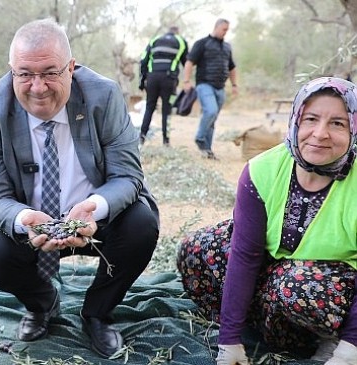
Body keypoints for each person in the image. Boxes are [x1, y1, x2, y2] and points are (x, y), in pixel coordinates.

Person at [0, 19, 160, 358]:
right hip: (32, 225)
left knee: (141, 224)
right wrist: (24, 219)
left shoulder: (102, 96)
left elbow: (128, 176)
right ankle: (42, 302)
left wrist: (95, 207)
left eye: (50, 72)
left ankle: (96, 313)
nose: (38, 87)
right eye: (25, 74)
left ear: (71, 68)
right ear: (12, 72)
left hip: (96, 221)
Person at [177, 77, 357, 365]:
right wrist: (229, 339)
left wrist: (350, 348)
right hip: (272, 267)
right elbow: (245, 255)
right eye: (311, 118)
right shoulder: (262, 170)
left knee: (293, 288)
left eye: (338, 123)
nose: (320, 133)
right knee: (197, 249)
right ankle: (255, 321)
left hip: (332, 288)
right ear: (296, 120)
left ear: (354, 128)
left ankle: (328, 338)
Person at [182, 18, 238, 159]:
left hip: (220, 88)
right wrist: (186, 80)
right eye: (224, 29)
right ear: (216, 27)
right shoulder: (202, 43)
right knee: (210, 111)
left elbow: (231, 67)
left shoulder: (227, 47)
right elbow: (189, 62)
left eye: (227, 30)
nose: (225, 32)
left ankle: (207, 150)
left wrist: (234, 84)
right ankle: (200, 138)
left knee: (212, 119)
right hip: (205, 84)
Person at [138, 26, 188, 147]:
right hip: (169, 80)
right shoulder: (180, 41)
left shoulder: (155, 39)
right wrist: (186, 81)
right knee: (167, 110)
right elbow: (187, 62)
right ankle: (166, 141)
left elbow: (144, 60)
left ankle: (141, 138)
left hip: (152, 78)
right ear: (177, 32)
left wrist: (142, 80)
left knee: (149, 108)